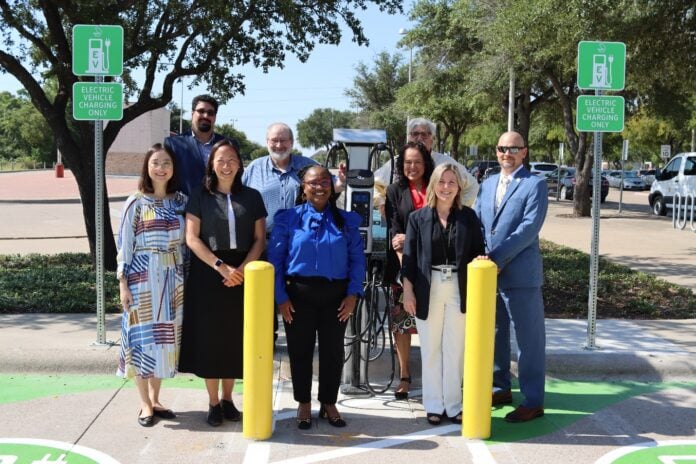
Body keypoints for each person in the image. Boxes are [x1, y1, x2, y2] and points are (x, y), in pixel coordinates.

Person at [268, 165, 365, 430]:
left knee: (333, 351)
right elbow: (275, 261)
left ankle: (328, 402)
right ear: (303, 187)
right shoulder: (288, 219)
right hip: (297, 295)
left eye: (324, 181)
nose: (319, 187)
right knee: (300, 351)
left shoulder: (347, 220)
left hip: (336, 296)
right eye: (313, 182)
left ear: (332, 186)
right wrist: (281, 298)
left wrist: (353, 294)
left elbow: (357, 260)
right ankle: (303, 402)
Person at [178, 138, 267, 427]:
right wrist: (221, 267)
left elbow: (259, 239)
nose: (226, 165)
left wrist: (242, 269)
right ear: (211, 165)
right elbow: (191, 238)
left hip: (244, 275)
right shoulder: (199, 195)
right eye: (220, 160)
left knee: (233, 339)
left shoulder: (252, 197)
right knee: (210, 340)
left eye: (231, 160)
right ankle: (213, 402)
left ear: (240, 164)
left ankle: (229, 399)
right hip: (208, 274)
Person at [401, 163, 485, 426]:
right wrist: (408, 291)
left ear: (459, 187)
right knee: (431, 348)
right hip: (429, 286)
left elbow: (478, 252)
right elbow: (409, 259)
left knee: (455, 349)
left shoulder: (468, 217)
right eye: (441, 181)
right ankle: (434, 405)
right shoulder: (417, 218)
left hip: (459, 288)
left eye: (451, 182)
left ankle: (454, 405)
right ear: (433, 185)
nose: (446, 187)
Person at [474, 131, 548, 423]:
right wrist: (483, 257)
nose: (508, 153)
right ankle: (500, 387)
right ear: (497, 152)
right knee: (496, 335)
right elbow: (479, 224)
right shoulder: (488, 183)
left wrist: (497, 257)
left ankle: (533, 400)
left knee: (529, 341)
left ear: (524, 152)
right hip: (489, 274)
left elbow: (529, 228)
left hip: (520, 275)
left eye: (514, 148)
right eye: (503, 148)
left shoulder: (535, 184)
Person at [116, 143, 187, 427]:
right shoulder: (135, 202)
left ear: (173, 168)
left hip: (173, 280)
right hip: (142, 278)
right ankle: (144, 404)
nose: (161, 168)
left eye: (166, 163)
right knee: (142, 341)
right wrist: (123, 284)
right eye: (155, 163)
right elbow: (124, 246)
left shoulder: (181, 201)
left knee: (164, 342)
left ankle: (157, 399)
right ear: (147, 167)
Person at [384, 141, 435, 400]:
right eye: (407, 162)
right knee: (402, 325)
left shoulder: (438, 188)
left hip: (436, 268)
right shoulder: (395, 191)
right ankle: (405, 376)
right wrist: (407, 277)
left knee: (434, 324)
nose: (412, 167)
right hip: (403, 267)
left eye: (417, 161)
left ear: (426, 163)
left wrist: (412, 239)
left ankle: (436, 377)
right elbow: (395, 236)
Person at [373, 117, 478, 208]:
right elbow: (373, 183)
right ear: (408, 138)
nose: (419, 138)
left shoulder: (446, 163)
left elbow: (473, 186)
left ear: (432, 139)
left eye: (424, 134)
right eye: (415, 134)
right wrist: (382, 204)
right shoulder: (397, 162)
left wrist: (457, 208)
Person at [164, 94, 227, 196]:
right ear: (192, 113)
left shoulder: (227, 145)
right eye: (201, 111)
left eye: (210, 113)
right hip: (185, 208)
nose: (205, 116)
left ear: (215, 117)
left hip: (221, 208)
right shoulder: (173, 144)